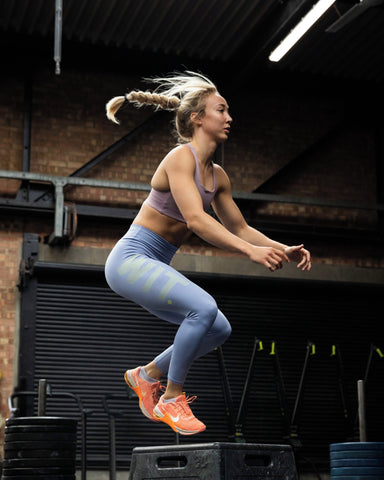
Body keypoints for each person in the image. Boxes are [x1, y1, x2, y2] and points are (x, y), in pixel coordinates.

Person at [104, 71, 311, 436]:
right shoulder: (179, 158)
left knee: (217, 329)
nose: (229, 118)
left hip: (152, 262)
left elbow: (240, 227)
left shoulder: (218, 177)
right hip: (131, 260)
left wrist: (282, 249)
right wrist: (250, 253)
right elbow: (197, 220)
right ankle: (171, 397)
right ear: (198, 118)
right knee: (203, 307)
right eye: (222, 110)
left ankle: (146, 375)